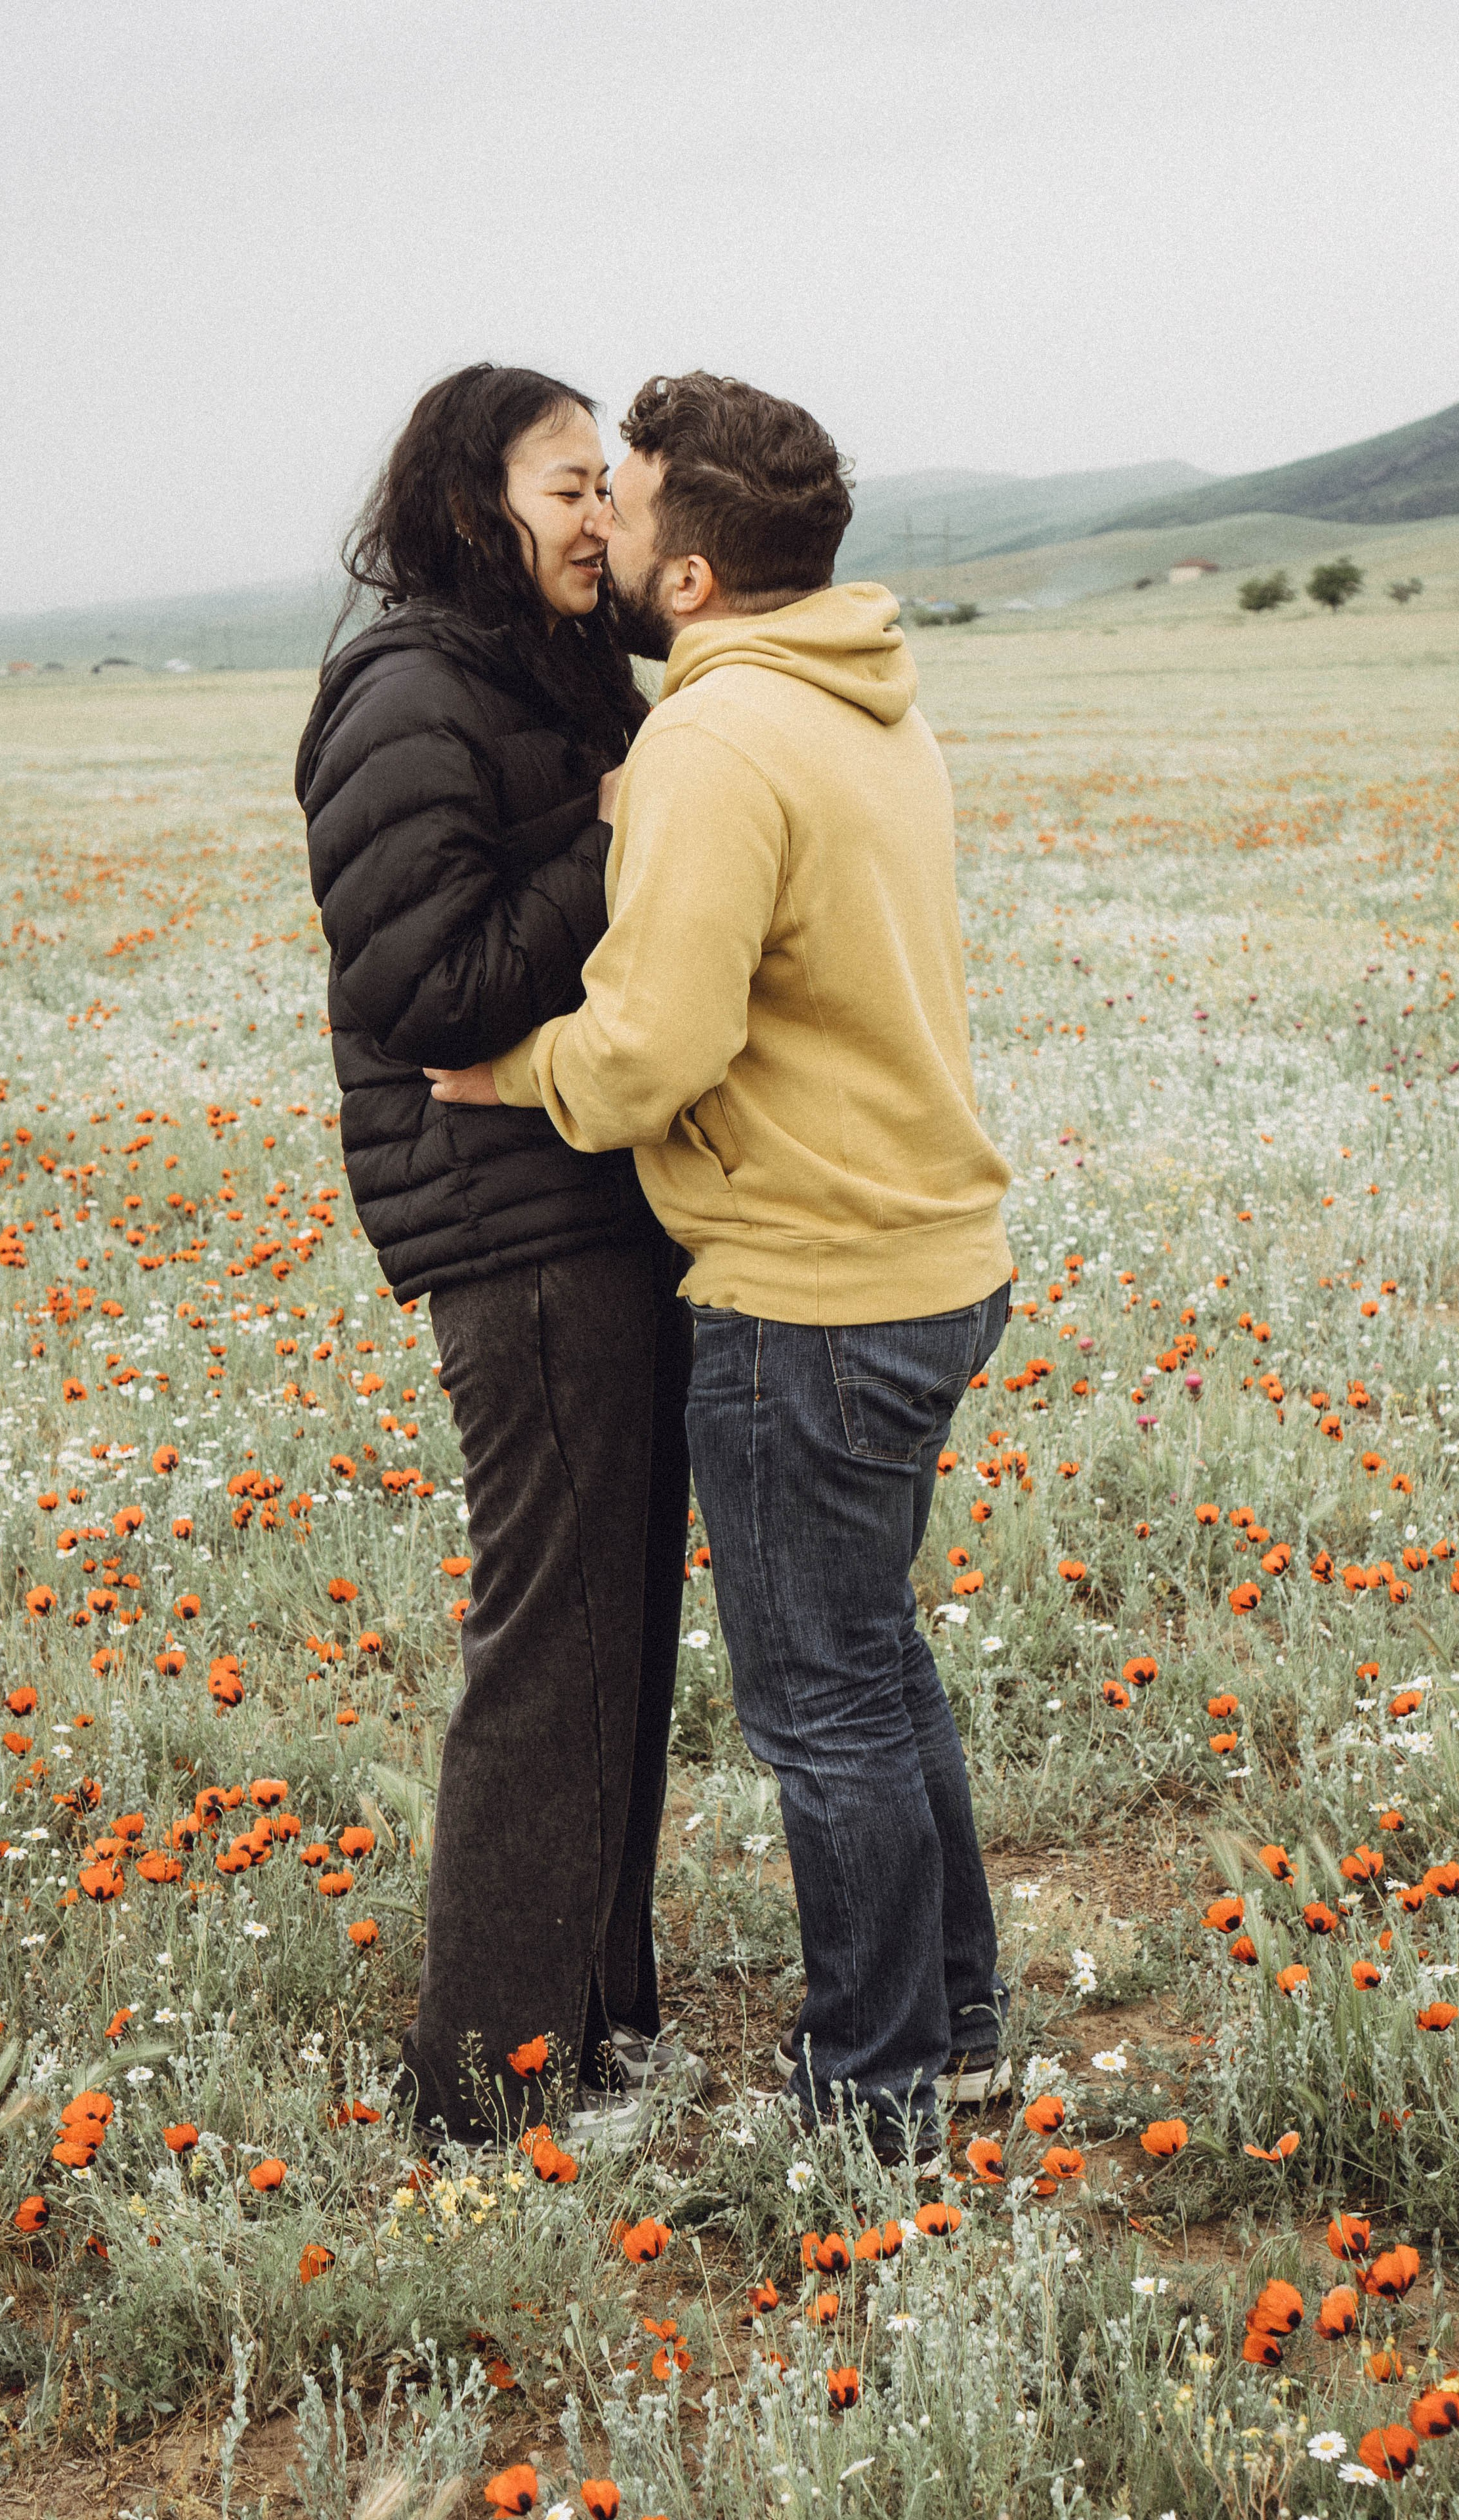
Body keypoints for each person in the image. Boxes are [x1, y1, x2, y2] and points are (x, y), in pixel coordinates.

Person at [427, 371, 1013, 2156]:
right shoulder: (863, 698)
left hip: (805, 1285)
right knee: (878, 1667)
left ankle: (879, 2102)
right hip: (932, 1255)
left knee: (821, 1705)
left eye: (635, 493)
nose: (607, 517)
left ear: (687, 579)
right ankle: (963, 2032)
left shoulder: (711, 739)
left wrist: (507, 1071)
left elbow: (650, 1048)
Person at [296, 363, 697, 2147]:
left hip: (592, 1204)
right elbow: (421, 987)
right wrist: (617, 850)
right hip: (513, 1228)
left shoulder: (546, 671)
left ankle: (598, 2026)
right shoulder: (406, 689)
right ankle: (488, 2081)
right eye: (567, 487)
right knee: (557, 1639)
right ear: (475, 505)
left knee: (619, 1632)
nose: (601, 515)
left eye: (610, 481)